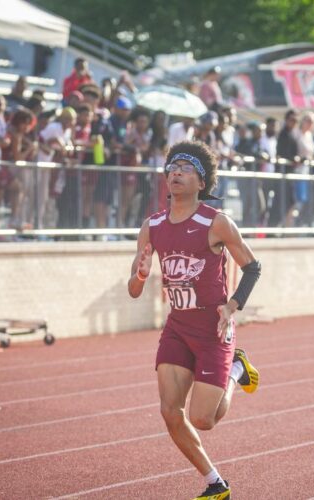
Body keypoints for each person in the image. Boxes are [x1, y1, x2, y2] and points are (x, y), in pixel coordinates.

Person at [128, 140, 261, 500]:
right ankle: (214, 482)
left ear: (201, 182)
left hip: (213, 328)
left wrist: (232, 306)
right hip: (177, 328)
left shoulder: (216, 223)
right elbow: (134, 290)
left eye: (185, 168)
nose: (176, 173)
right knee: (170, 411)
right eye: (171, 167)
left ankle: (236, 368)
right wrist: (140, 275)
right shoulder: (152, 225)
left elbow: (253, 268)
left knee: (204, 419)